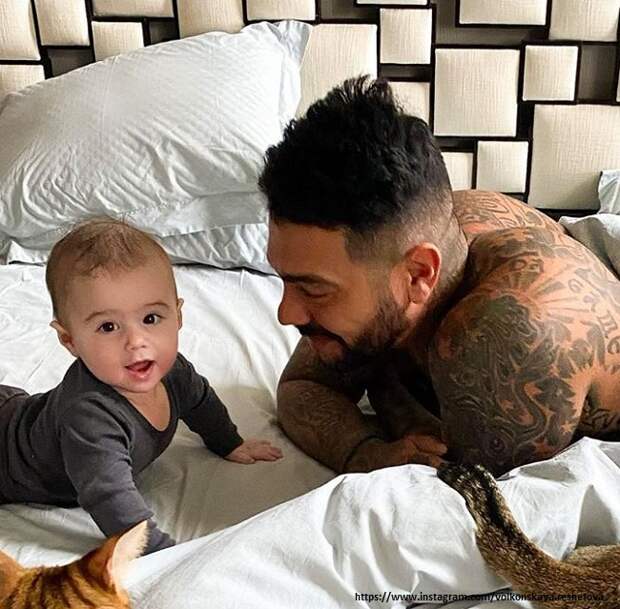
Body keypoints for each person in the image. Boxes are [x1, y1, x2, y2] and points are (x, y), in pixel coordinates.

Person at [259, 76, 620, 477]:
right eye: (285, 280)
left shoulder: (507, 330)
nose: (286, 313)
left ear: (418, 274)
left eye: (312, 289)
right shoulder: (409, 237)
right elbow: (301, 388)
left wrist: (388, 393)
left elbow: (472, 500)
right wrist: (365, 451)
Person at [0, 219, 282, 554]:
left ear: (177, 316)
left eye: (150, 318)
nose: (136, 341)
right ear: (69, 340)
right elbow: (109, 498)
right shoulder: (90, 417)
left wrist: (229, 442)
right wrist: (164, 553)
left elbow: (200, 402)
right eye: (108, 327)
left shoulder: (173, 371)